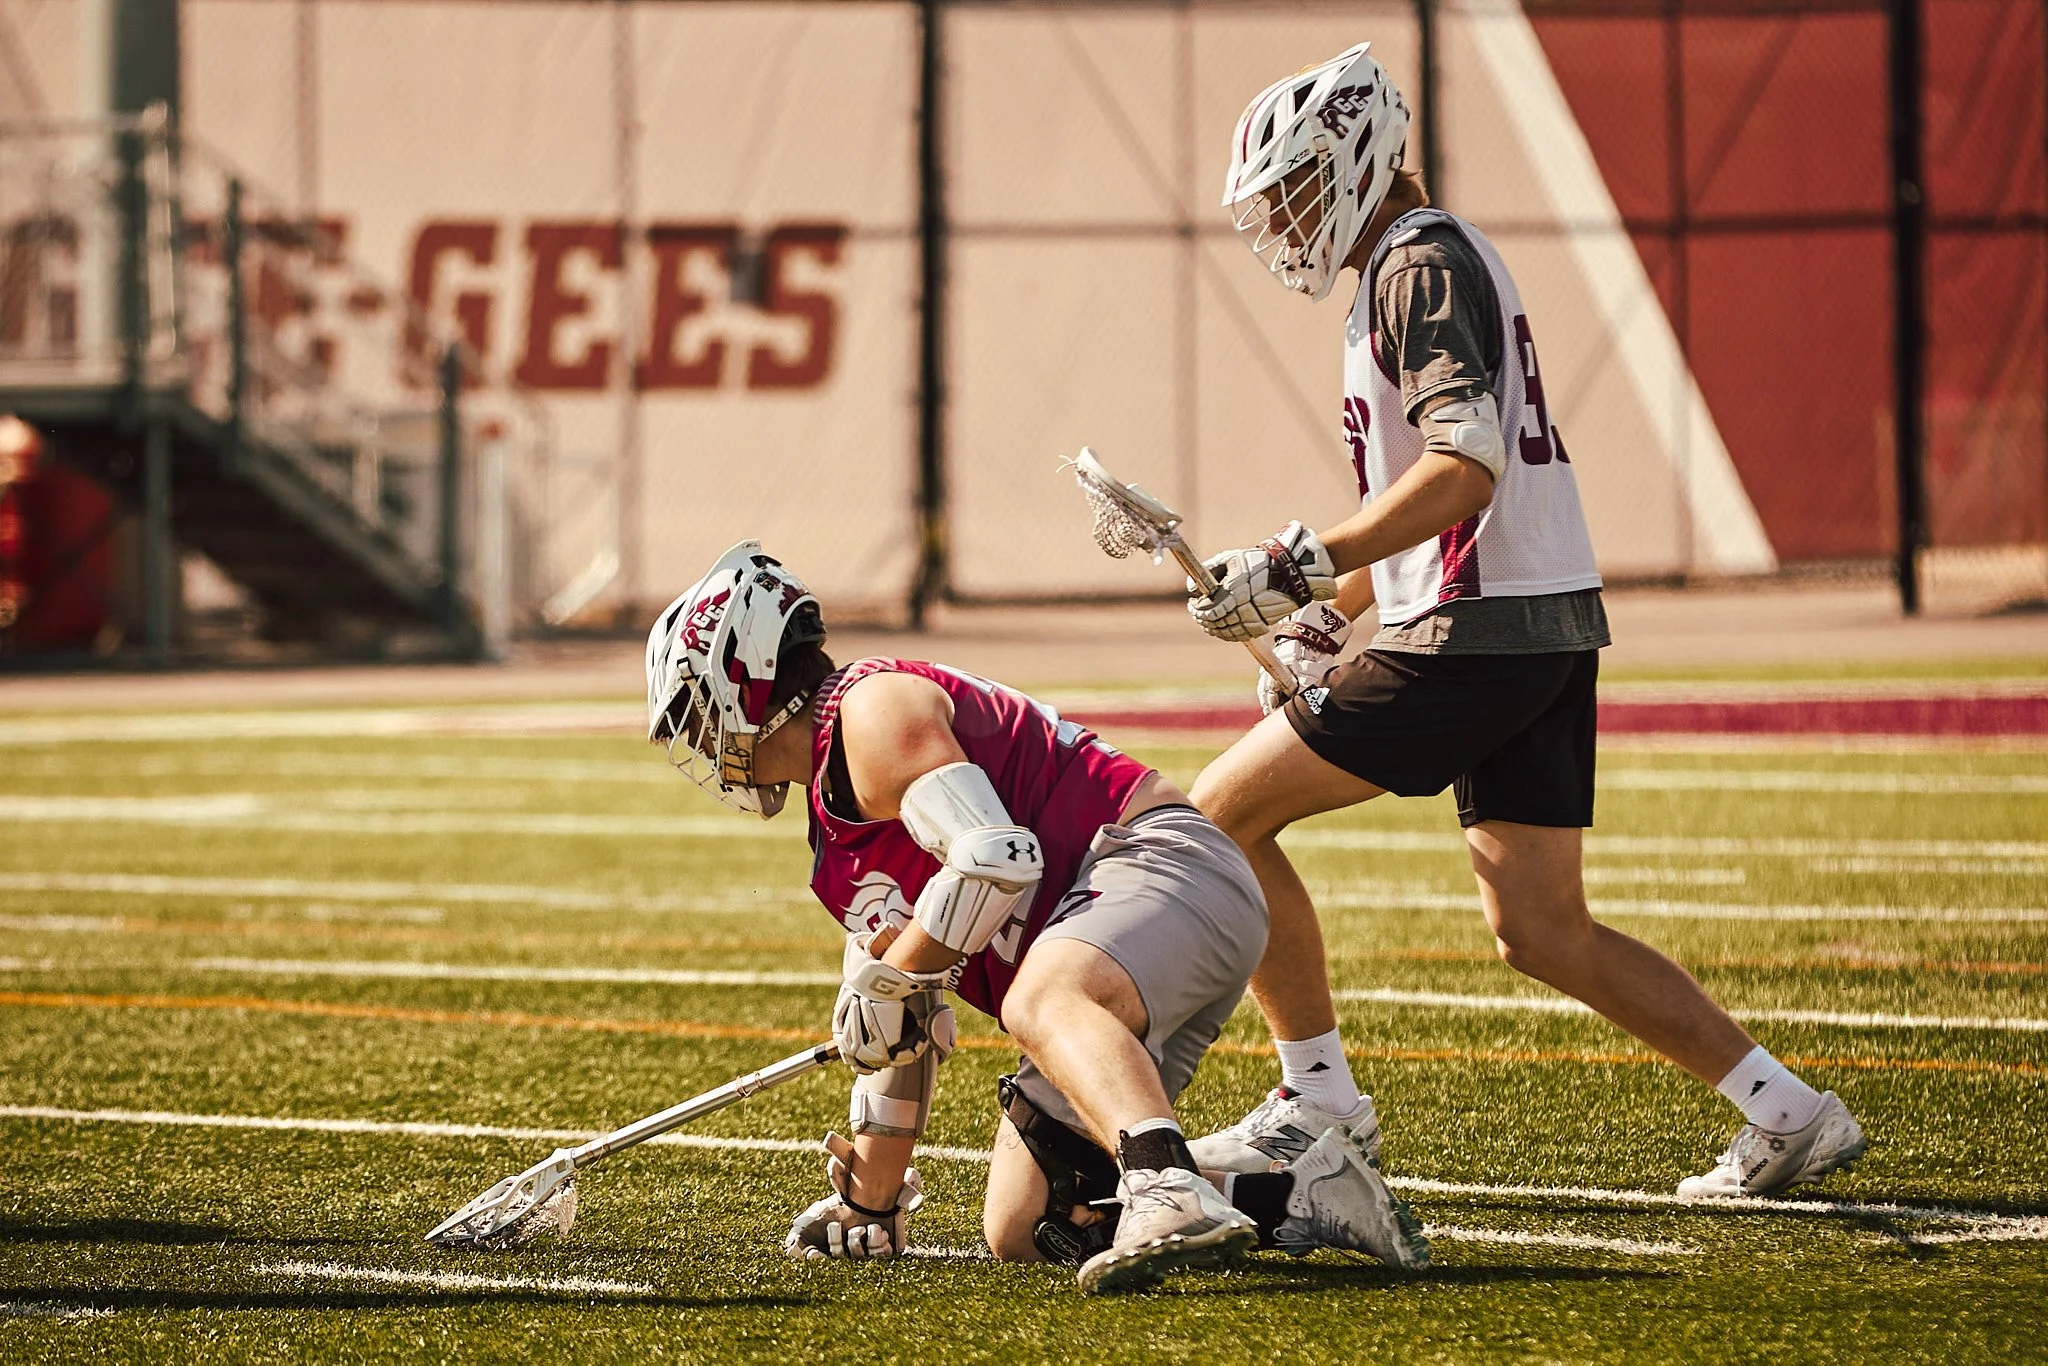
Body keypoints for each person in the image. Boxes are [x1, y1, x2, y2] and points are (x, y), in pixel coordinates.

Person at [1178, 42, 1866, 1199]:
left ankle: (1318, 1105)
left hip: (1472, 637)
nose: (1286, 220)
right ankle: (1782, 1107)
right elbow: (1438, 496)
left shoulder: (1414, 264)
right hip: (1536, 623)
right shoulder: (1414, 264)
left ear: (1352, 158)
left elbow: (1464, 469)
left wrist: (1304, 566)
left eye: (1296, 187)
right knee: (1540, 926)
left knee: (1212, 823)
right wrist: (1327, 612)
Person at [643, 541, 1428, 1294]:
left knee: (1036, 1002)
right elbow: (904, 1026)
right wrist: (871, 1203)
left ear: (738, 680)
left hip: (1162, 864)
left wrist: (893, 980)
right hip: (1110, 945)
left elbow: (994, 857)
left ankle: (1167, 1182)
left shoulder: (869, 710)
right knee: (1028, 1226)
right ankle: (1304, 1197)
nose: (699, 743)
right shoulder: (832, 849)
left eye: (692, 713)